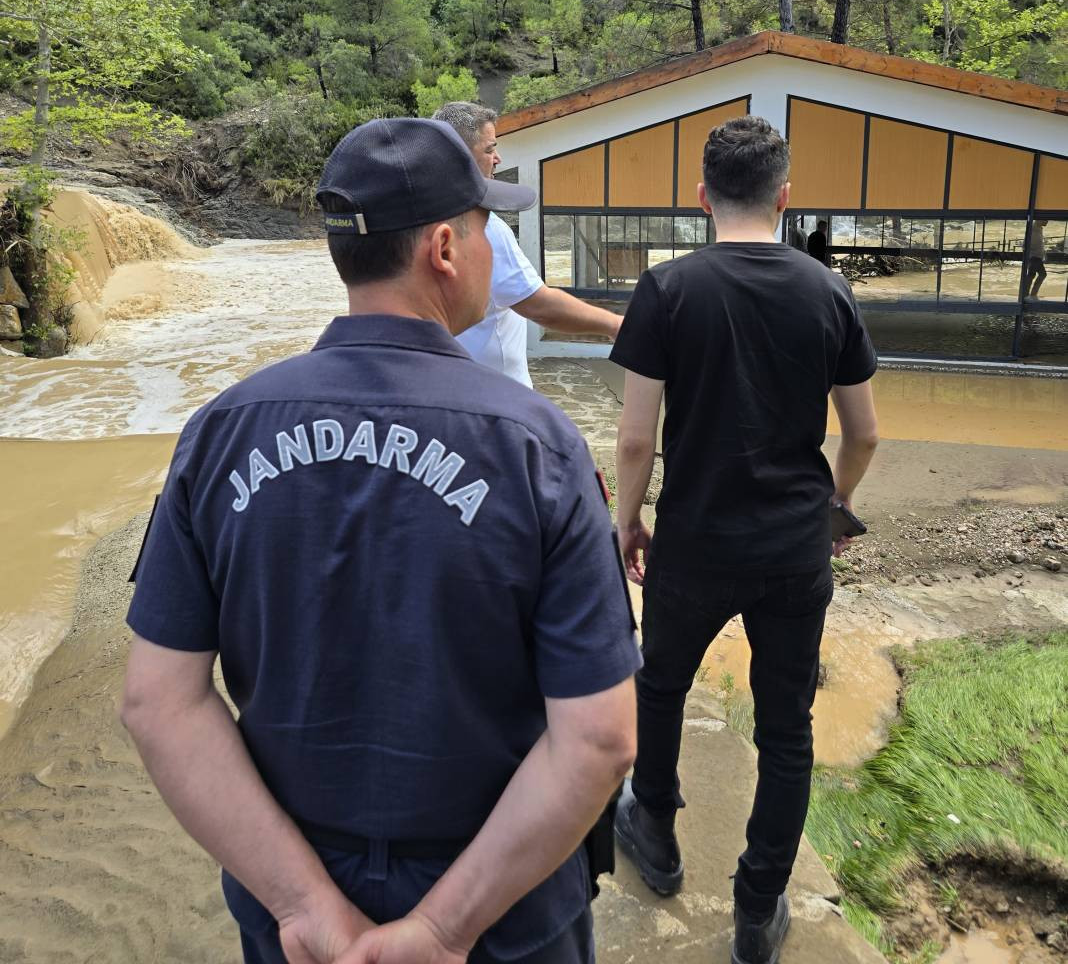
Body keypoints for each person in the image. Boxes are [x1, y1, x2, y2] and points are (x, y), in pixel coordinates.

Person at [121, 117, 640, 964]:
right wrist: (442, 931)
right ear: (444, 246)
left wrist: (303, 906)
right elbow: (600, 737)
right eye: (485, 229)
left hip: (294, 911)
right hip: (503, 916)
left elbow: (158, 702)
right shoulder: (538, 446)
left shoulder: (219, 433)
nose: (489, 251)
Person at [608, 116, 879, 964]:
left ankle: (654, 838)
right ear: (785, 198)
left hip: (694, 540)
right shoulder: (827, 291)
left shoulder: (668, 289)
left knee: (658, 688)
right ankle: (757, 912)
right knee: (785, 727)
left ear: (702, 199)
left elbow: (633, 438)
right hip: (793, 549)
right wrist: (832, 506)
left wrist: (628, 518)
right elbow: (864, 435)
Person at [432, 103, 622, 385]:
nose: (497, 158)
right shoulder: (484, 227)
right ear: (458, 157)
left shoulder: (416, 216)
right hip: (494, 397)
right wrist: (614, 324)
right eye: (488, 149)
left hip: (444, 388)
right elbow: (537, 304)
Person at [1024, 218, 1048, 298]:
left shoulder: (1038, 229)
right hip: (1034, 256)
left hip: (1036, 256)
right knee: (1042, 274)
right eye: (1045, 220)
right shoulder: (1033, 230)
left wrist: (1043, 253)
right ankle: (1031, 294)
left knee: (1031, 275)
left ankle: (1027, 294)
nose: (1047, 222)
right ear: (1039, 220)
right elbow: (1026, 244)